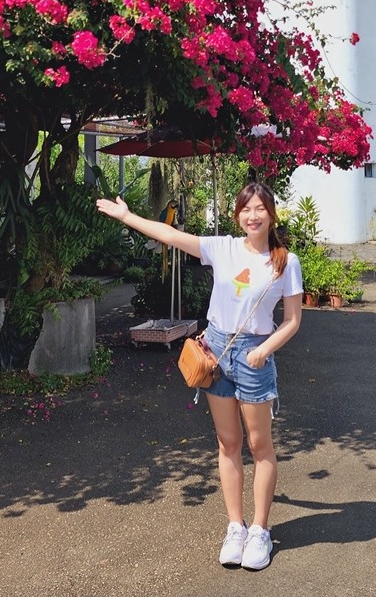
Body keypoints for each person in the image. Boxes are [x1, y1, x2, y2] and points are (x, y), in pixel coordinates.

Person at [96, 182, 303, 571]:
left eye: (260, 209)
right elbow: (171, 235)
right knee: (228, 443)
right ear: (237, 214)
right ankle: (235, 527)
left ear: (271, 214)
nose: (252, 216)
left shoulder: (284, 262)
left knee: (260, 447)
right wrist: (127, 218)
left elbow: (292, 321)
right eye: (245, 209)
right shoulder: (223, 248)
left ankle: (260, 531)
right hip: (217, 351)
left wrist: (263, 350)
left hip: (255, 355)